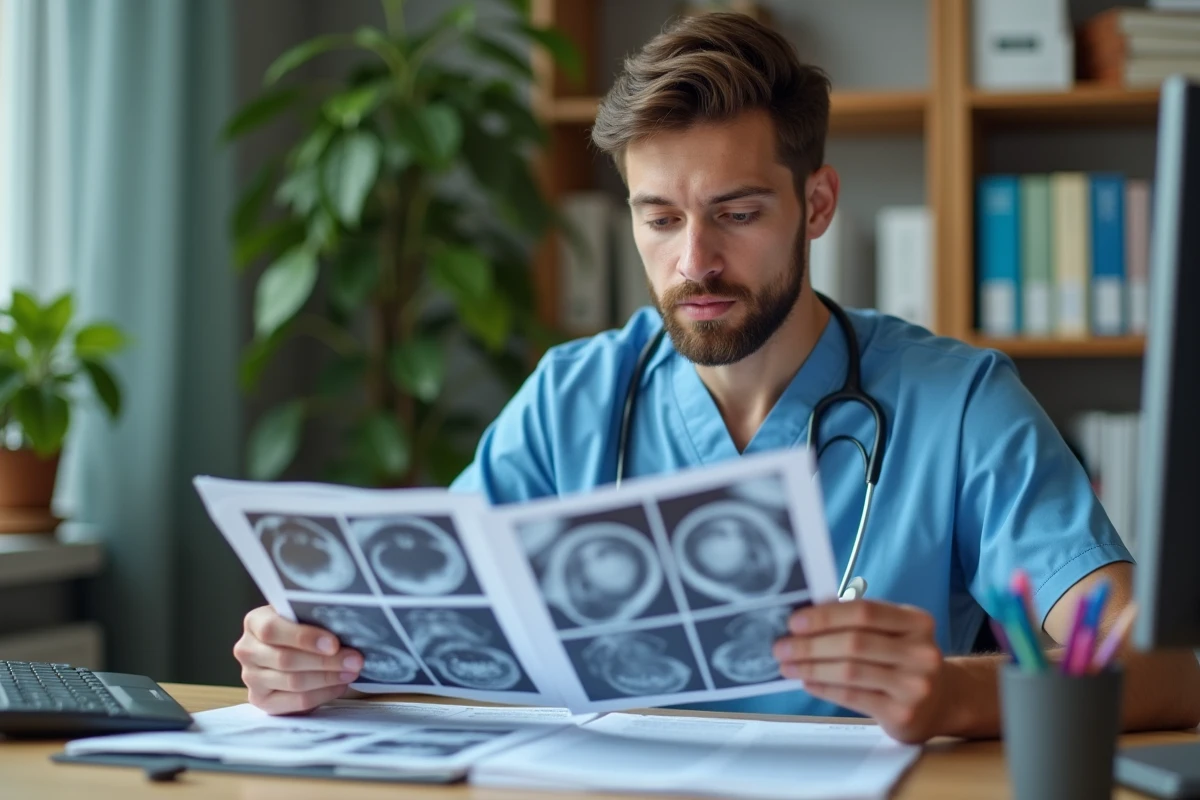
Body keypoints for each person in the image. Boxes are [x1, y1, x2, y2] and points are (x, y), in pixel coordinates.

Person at [233, 12, 1200, 743]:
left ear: (815, 202)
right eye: (658, 219)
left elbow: (1160, 669)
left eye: (736, 213)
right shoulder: (574, 397)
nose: (694, 260)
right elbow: (427, 637)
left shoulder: (958, 403)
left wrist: (953, 690)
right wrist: (314, 659)